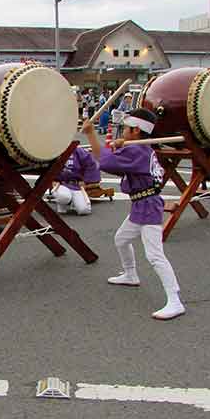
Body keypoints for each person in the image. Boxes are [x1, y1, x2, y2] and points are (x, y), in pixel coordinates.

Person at [81, 109, 185, 321]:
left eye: (126, 129)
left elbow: (106, 162)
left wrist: (91, 134)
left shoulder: (138, 151)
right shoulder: (140, 149)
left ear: (136, 130)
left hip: (148, 206)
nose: (123, 132)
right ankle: (130, 274)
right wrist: (117, 147)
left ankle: (175, 300)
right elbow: (117, 162)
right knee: (121, 239)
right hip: (141, 204)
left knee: (155, 255)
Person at [53, 146, 100, 215]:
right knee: (64, 196)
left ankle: (74, 203)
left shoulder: (78, 151)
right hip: (61, 184)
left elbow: (90, 164)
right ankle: (61, 204)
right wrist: (52, 179)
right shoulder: (55, 149)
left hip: (76, 185)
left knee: (84, 210)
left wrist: (86, 181)